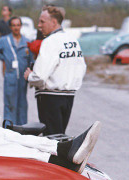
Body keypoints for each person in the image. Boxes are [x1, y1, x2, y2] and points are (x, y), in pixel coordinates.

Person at [24, 5, 86, 135]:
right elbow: (81, 67)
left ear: (54, 22)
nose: (39, 25)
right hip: (69, 95)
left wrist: (29, 76)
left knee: (51, 138)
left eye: (42, 22)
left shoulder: (50, 42)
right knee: (60, 135)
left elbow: (39, 77)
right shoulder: (72, 40)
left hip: (50, 96)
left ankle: (57, 156)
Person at [0, 16, 33, 126]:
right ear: (10, 27)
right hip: (10, 77)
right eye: (14, 25)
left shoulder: (27, 42)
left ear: (21, 26)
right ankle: (9, 128)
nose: (16, 28)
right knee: (9, 103)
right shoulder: (4, 40)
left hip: (23, 78)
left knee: (22, 103)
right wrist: (3, 57)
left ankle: (22, 128)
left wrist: (31, 73)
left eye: (18, 25)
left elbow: (31, 59)